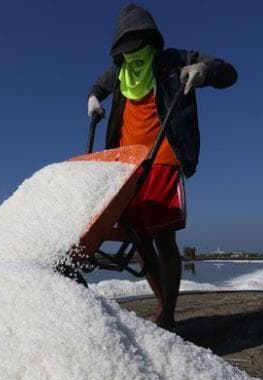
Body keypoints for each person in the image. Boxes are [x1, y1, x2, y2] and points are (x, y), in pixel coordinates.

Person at [87, 4, 237, 328]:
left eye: (140, 46)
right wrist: (94, 99)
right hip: (126, 165)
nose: (135, 54)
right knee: (138, 238)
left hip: (165, 157)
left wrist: (204, 71)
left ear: (153, 42)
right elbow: (98, 85)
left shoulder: (172, 61)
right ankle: (161, 303)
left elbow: (228, 72)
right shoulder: (118, 74)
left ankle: (168, 312)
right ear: (119, 51)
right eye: (128, 49)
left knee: (163, 237)